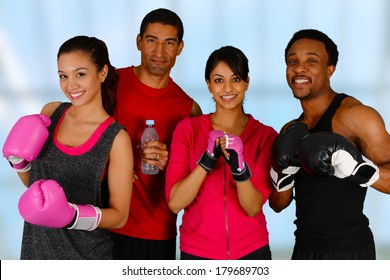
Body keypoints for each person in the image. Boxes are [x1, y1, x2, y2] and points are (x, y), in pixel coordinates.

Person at [2, 35, 133, 259]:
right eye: (63, 76)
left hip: (85, 258)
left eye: (80, 74)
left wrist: (72, 216)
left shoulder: (116, 138)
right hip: (35, 254)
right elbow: (35, 185)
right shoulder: (51, 113)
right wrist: (19, 162)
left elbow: (120, 216)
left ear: (102, 73)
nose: (70, 85)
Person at [269, 29, 390, 260]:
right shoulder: (290, 130)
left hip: (351, 249)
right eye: (292, 61)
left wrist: (359, 170)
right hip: (304, 248)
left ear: (330, 69)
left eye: (311, 61)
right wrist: (283, 173)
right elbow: (277, 204)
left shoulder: (356, 116)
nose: (299, 68)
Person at [165, 46, 278, 260]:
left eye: (235, 79)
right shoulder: (187, 130)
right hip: (198, 252)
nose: (227, 88)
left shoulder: (266, 136)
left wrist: (239, 170)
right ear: (208, 85)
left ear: (247, 82)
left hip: (251, 251)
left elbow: (253, 207)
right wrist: (207, 161)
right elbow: (175, 202)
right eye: (218, 80)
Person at [110, 8, 202, 260]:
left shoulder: (189, 108)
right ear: (139, 42)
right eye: (152, 40)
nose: (160, 52)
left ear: (180, 47)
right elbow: (79, 133)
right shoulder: (109, 84)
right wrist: (112, 162)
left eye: (169, 43)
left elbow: (199, 175)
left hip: (158, 232)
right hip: (105, 224)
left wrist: (171, 161)